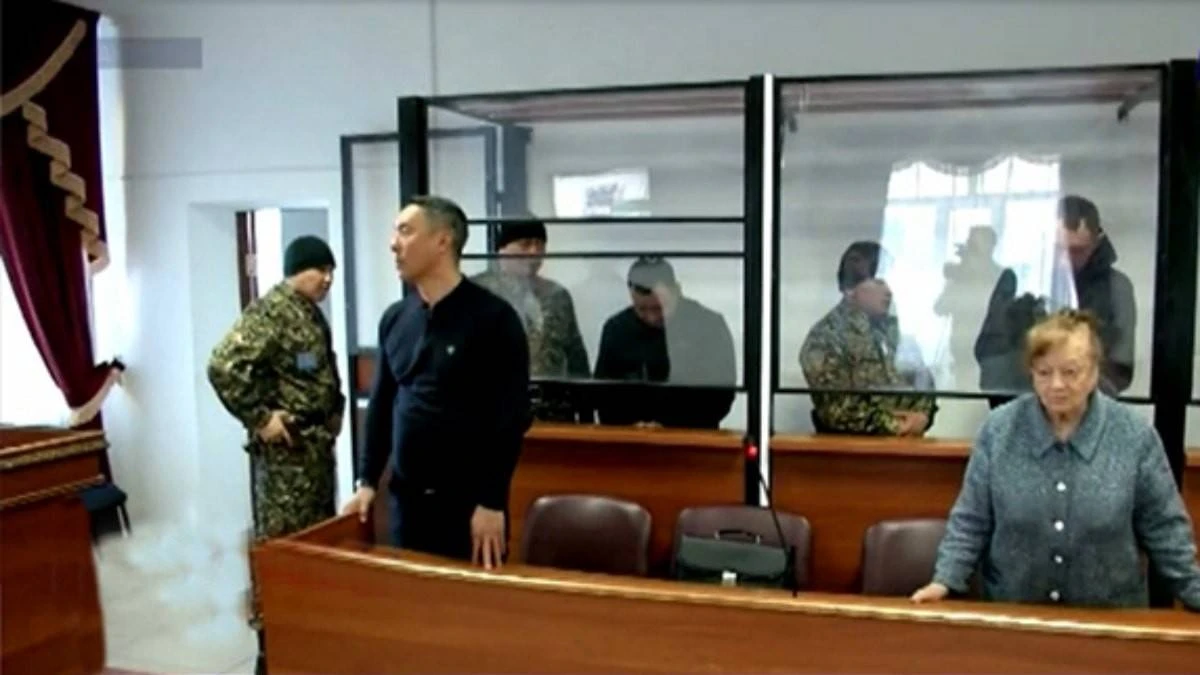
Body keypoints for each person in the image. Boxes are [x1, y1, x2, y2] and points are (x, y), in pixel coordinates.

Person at [913, 310, 1200, 610]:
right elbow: (971, 521)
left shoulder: (1134, 436)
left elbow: (1166, 529)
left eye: (1071, 372)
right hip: (1015, 616)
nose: (1057, 385)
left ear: (1094, 373)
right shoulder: (999, 430)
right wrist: (944, 581)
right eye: (1044, 373)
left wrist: (1193, 590)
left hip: (1110, 619)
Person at [342, 195, 530, 571]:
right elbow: (382, 404)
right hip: (406, 503)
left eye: (405, 231)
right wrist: (367, 480)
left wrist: (492, 501)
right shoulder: (396, 319)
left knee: (467, 606)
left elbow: (510, 419)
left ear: (442, 241)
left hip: (470, 507)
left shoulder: (493, 319)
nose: (393, 244)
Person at [206, 235, 345, 675]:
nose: (327, 279)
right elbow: (223, 365)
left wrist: (335, 409)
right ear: (295, 270)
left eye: (331, 271)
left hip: (315, 455)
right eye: (319, 269)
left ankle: (307, 649)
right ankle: (275, 654)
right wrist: (261, 418)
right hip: (286, 463)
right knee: (284, 553)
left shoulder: (308, 313)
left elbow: (320, 371)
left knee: (312, 550)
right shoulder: (272, 312)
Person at [976, 195, 1136, 407]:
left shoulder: (1116, 287)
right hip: (1021, 408)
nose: (1065, 261)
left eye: (1076, 251)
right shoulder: (1019, 281)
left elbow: (1121, 368)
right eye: (1058, 249)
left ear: (1096, 242)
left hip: (1088, 412)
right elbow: (988, 352)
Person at [799, 241, 937, 435]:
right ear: (850, 289)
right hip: (851, 449)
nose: (889, 291)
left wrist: (922, 417)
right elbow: (837, 409)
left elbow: (925, 386)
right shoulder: (824, 338)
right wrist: (895, 425)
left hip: (910, 445)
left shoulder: (896, 333)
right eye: (879, 282)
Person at [593, 256, 736, 429]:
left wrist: (668, 425)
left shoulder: (709, 326)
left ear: (677, 290)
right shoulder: (616, 329)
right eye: (642, 309)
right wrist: (632, 425)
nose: (651, 317)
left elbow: (722, 397)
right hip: (631, 435)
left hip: (691, 435)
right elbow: (603, 394)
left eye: (658, 308)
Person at [471, 217, 592, 422]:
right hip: (493, 412)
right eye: (525, 244)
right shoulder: (477, 292)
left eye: (539, 245)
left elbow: (576, 357)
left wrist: (586, 415)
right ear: (502, 249)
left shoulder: (557, 295)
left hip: (554, 411)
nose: (534, 252)